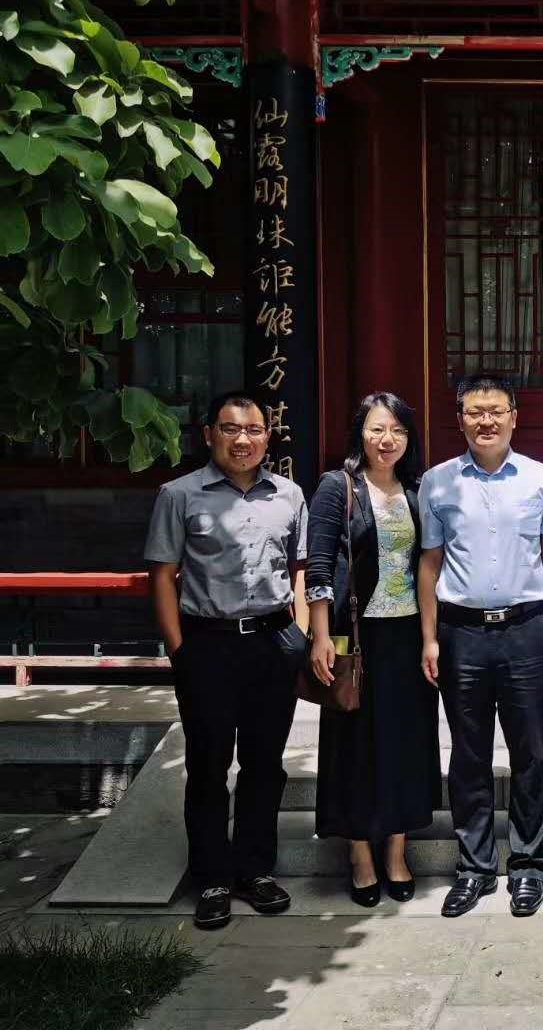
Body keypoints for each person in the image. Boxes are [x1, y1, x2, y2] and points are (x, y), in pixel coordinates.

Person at [144, 390, 309, 930]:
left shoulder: (289, 495)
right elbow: (162, 575)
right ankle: (212, 878)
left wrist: (301, 636)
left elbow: (300, 568)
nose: (243, 439)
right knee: (208, 766)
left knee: (265, 764)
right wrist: (180, 649)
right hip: (208, 645)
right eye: (231, 428)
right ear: (210, 434)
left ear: (267, 436)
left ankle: (255, 870)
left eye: (254, 429)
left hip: (272, 642)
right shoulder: (179, 494)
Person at [418, 375, 543, 918]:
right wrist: (429, 638)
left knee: (530, 752)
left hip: (526, 628)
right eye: (475, 412)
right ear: (460, 420)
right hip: (462, 634)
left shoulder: (542, 479)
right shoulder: (438, 482)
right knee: (469, 753)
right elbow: (429, 564)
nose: (486, 421)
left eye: (496, 411)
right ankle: (474, 867)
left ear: (513, 417)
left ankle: (528, 866)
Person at [305, 393, 440, 907]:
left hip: (406, 636)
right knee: (354, 744)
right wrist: (321, 635)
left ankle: (397, 851)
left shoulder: (417, 489)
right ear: (359, 433)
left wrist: (430, 637)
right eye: (377, 429)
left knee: (406, 741)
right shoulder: (337, 486)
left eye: (398, 431)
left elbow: (429, 564)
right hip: (355, 637)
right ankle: (360, 853)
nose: (388, 440)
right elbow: (319, 565)